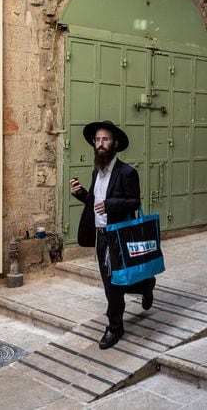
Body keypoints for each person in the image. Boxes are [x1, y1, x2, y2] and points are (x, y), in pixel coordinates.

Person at [70, 120, 156, 350]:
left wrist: (110, 204)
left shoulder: (127, 172)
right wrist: (81, 194)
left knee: (112, 284)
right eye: (97, 140)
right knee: (113, 281)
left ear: (115, 143)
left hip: (118, 236)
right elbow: (95, 203)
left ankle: (115, 327)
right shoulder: (96, 172)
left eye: (105, 139)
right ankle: (145, 286)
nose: (100, 144)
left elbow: (134, 202)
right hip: (101, 237)